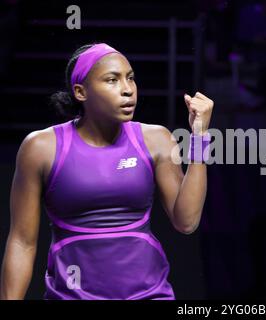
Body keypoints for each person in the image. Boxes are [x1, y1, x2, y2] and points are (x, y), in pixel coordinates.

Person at [0, 43, 214, 300]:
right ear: (81, 92)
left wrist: (200, 136)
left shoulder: (156, 138)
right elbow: (22, 242)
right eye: (112, 80)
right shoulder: (41, 147)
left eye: (131, 78)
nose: (127, 90)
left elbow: (186, 221)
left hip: (149, 295)